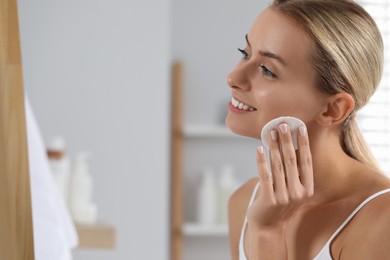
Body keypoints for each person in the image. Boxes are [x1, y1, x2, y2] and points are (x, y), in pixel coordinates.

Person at [226, 0, 390, 259]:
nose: (233, 78)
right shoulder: (243, 202)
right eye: (245, 53)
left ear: (333, 110)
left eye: (267, 70)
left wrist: (267, 232)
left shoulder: (382, 222)